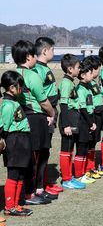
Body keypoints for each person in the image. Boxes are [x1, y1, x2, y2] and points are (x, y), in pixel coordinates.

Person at [13, 40, 56, 205]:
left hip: (23, 117)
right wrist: (52, 113)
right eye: (32, 55)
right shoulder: (32, 75)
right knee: (37, 157)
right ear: (28, 56)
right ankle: (31, 193)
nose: (34, 58)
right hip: (36, 118)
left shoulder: (14, 73)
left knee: (33, 157)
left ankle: (35, 190)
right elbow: (43, 100)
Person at [33, 37, 64, 196]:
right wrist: (47, 113)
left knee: (45, 150)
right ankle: (39, 186)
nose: (54, 52)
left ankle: (44, 183)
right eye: (52, 49)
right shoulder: (37, 69)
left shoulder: (45, 68)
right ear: (45, 51)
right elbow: (38, 95)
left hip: (51, 112)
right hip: (45, 114)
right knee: (41, 152)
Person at [0, 71, 34, 217]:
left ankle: (16, 204)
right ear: (12, 88)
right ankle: (9, 206)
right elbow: (3, 128)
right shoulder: (8, 105)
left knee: (21, 174)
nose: (22, 89)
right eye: (21, 86)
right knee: (13, 174)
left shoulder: (14, 102)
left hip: (23, 141)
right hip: (14, 141)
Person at [58, 54, 87, 189]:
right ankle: (66, 179)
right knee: (66, 150)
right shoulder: (65, 83)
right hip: (68, 118)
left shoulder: (70, 82)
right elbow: (63, 105)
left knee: (71, 150)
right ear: (70, 69)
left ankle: (70, 177)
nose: (79, 69)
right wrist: (66, 125)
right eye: (77, 67)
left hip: (74, 117)